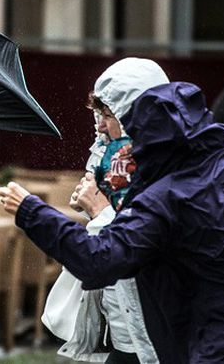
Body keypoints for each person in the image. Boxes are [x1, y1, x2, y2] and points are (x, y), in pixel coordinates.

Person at [0, 58, 224, 363]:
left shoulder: (167, 195)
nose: (100, 124)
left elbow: (104, 257)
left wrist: (36, 211)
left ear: (140, 122)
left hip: (202, 343)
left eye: (107, 113)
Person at [43, 58, 166, 364]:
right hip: (120, 325)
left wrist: (100, 211)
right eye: (98, 113)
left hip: (152, 332)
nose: (99, 124)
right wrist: (91, 205)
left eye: (108, 114)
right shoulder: (114, 156)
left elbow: (141, 244)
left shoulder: (166, 167)